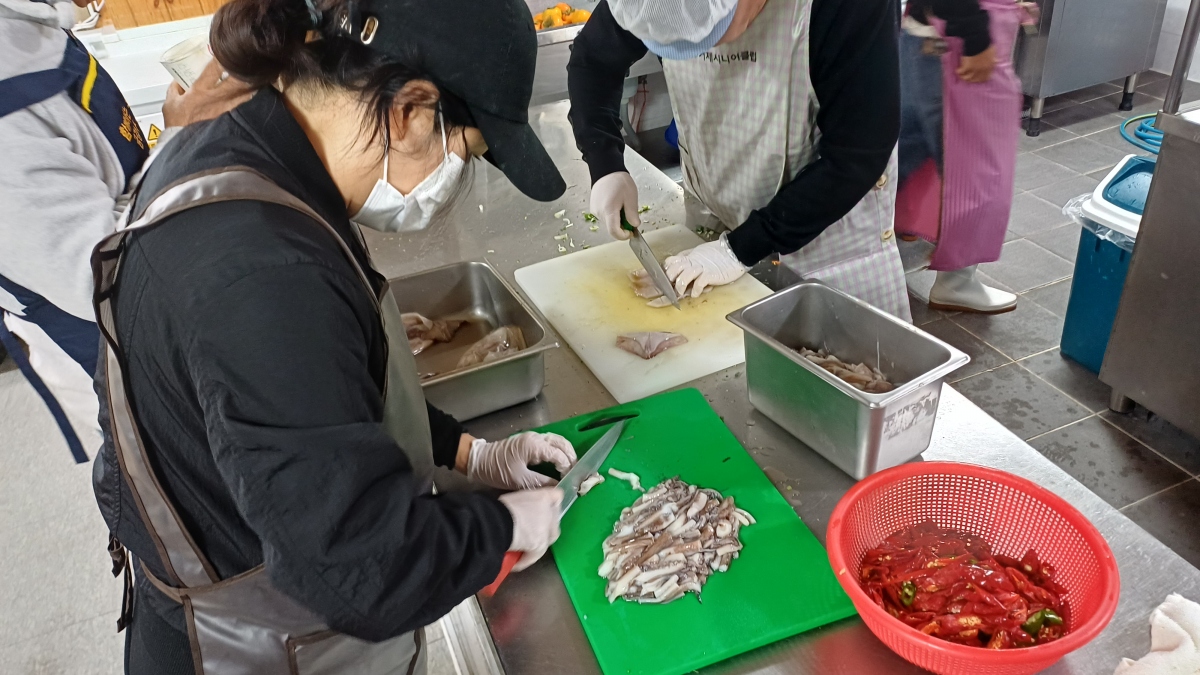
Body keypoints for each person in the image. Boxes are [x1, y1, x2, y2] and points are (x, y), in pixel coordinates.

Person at [91, 0, 573, 672]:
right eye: (464, 151)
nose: (454, 177)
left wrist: (467, 451)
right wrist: (503, 528)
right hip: (250, 650)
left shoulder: (246, 145)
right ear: (410, 111)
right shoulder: (264, 272)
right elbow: (360, 568)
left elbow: (315, 402)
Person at [0, 0, 253, 462]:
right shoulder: (8, 128)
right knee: (186, 470)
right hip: (107, 340)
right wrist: (180, 138)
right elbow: (110, 277)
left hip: (154, 277)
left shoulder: (29, 24)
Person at [568, 0, 912, 321]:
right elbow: (593, 60)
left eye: (709, 32)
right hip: (712, 215)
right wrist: (605, 163)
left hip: (826, 238)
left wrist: (739, 249)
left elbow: (857, 154)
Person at [894, 0, 1024, 313]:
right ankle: (957, 283)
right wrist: (975, 38)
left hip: (923, 33)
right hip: (956, 39)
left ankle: (866, 252)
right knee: (975, 168)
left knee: (904, 154)